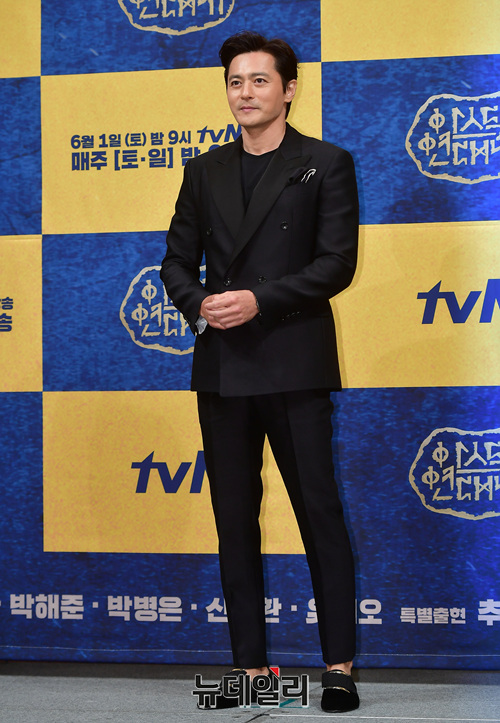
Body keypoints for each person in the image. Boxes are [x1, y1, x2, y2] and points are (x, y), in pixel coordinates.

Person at [160, 30, 359, 713]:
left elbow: (336, 264)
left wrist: (258, 299)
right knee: (233, 520)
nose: (245, 93)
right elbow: (176, 261)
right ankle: (249, 669)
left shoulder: (324, 163)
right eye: (235, 82)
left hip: (295, 361)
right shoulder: (204, 170)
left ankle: (338, 667)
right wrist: (200, 304)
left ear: (289, 89)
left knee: (318, 513)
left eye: (259, 80)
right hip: (223, 367)